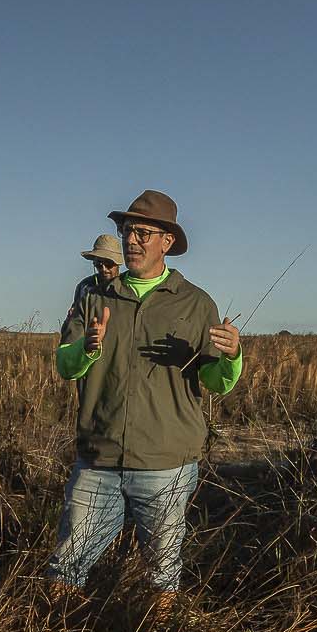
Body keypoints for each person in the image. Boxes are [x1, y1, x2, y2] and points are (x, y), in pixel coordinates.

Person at [44, 191, 243, 605]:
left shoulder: (196, 303)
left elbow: (217, 381)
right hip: (99, 458)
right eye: (127, 231)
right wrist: (88, 348)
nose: (131, 240)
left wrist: (232, 356)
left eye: (142, 233)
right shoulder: (95, 297)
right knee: (65, 569)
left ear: (167, 241)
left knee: (162, 577)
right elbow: (65, 366)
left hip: (166, 463)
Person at [73, 233, 123, 312]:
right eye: (99, 265)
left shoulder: (127, 286)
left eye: (108, 264)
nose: (104, 269)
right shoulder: (84, 286)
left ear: (117, 264)